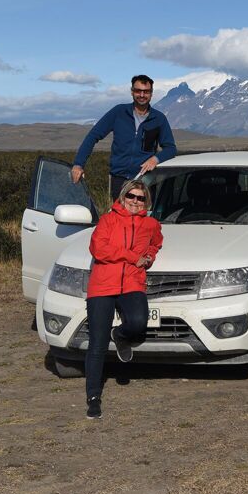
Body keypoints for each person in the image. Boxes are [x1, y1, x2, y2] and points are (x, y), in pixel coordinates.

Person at [83, 179, 163, 419]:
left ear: (146, 201)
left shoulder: (151, 224)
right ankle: (93, 397)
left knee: (138, 322)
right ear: (123, 197)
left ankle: (120, 335)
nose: (135, 202)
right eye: (131, 196)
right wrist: (130, 256)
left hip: (131, 282)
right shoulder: (108, 220)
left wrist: (148, 257)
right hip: (102, 284)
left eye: (140, 198)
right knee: (97, 344)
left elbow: (155, 245)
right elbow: (99, 249)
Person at [72, 75, 177, 200]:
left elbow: (171, 148)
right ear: (132, 92)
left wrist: (155, 159)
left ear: (151, 94)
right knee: (118, 217)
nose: (142, 95)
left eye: (146, 92)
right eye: (138, 91)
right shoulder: (119, 112)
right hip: (119, 180)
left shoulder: (159, 119)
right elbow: (93, 136)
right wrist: (78, 164)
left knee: (143, 218)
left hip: (145, 180)